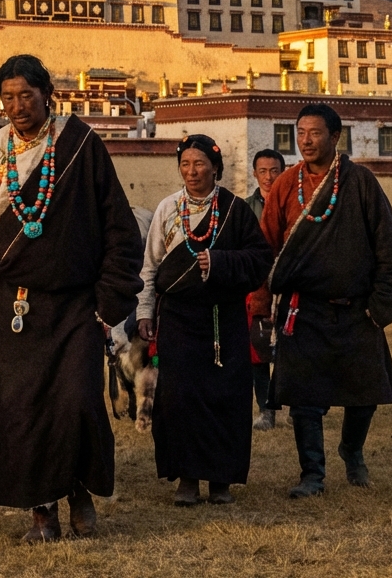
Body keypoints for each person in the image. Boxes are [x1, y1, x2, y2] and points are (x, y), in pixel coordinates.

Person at [0, 54, 144, 542]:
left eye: (27, 95)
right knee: (22, 409)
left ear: (48, 96)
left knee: (77, 402)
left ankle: (80, 492)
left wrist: (109, 302)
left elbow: (118, 229)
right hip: (15, 307)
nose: (18, 107)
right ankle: (42, 512)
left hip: (75, 306)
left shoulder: (81, 146)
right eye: (8, 98)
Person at [260, 103, 392, 498]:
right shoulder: (285, 185)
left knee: (364, 395)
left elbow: (387, 244)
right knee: (304, 400)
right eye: (300, 133)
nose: (306, 141)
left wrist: (383, 305)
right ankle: (313, 474)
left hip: (356, 309)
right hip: (303, 310)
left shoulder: (361, 183)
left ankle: (352, 449)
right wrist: (259, 301)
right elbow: (263, 247)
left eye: (314, 133)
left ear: (335, 136)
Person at [137, 135, 273, 506]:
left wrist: (221, 263)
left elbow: (260, 259)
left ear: (216, 167)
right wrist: (145, 312)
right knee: (179, 398)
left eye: (199, 164)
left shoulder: (234, 210)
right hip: (178, 321)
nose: (192, 171)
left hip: (223, 319)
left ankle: (221, 480)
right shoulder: (167, 209)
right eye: (185, 164)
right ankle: (186, 478)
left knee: (224, 397)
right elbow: (150, 268)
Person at [245, 148, 286, 430]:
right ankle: (266, 411)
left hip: (290, 284)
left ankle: (298, 410)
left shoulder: (297, 203)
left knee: (292, 352)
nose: (269, 177)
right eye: (263, 171)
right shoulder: (245, 208)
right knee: (257, 352)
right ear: (255, 173)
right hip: (257, 286)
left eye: (274, 170)